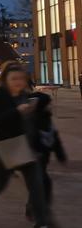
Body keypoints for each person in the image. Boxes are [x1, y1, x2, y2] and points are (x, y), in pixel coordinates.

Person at [0, 61, 58, 228]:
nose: (18, 82)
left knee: (37, 185)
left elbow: (32, 125)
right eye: (13, 78)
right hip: (3, 146)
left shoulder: (25, 96)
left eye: (21, 78)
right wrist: (16, 111)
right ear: (5, 79)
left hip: (25, 147)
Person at [25, 88, 67, 221]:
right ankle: (38, 210)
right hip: (34, 159)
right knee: (42, 183)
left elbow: (55, 138)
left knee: (41, 183)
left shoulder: (47, 120)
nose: (51, 106)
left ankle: (35, 208)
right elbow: (30, 139)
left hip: (43, 159)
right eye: (48, 104)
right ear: (42, 106)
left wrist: (60, 155)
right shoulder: (33, 121)